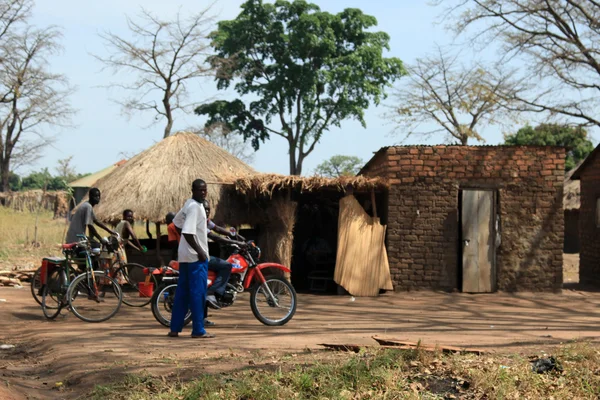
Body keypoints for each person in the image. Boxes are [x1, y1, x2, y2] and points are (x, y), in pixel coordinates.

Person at [168, 179, 213, 339]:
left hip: (185, 255)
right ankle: (198, 330)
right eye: (200, 190)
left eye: (204, 190)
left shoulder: (189, 204)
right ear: (193, 190)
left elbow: (176, 222)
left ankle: (175, 328)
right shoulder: (195, 207)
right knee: (198, 293)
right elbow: (187, 232)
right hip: (195, 258)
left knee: (182, 293)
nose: (203, 193)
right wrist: (200, 250)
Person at [201, 199, 246, 309]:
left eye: (208, 210)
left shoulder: (205, 221)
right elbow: (215, 237)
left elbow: (217, 229)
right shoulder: (200, 223)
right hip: (200, 257)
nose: (206, 212)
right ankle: (213, 292)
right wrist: (235, 242)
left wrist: (234, 235)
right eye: (204, 209)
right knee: (227, 266)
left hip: (200, 255)